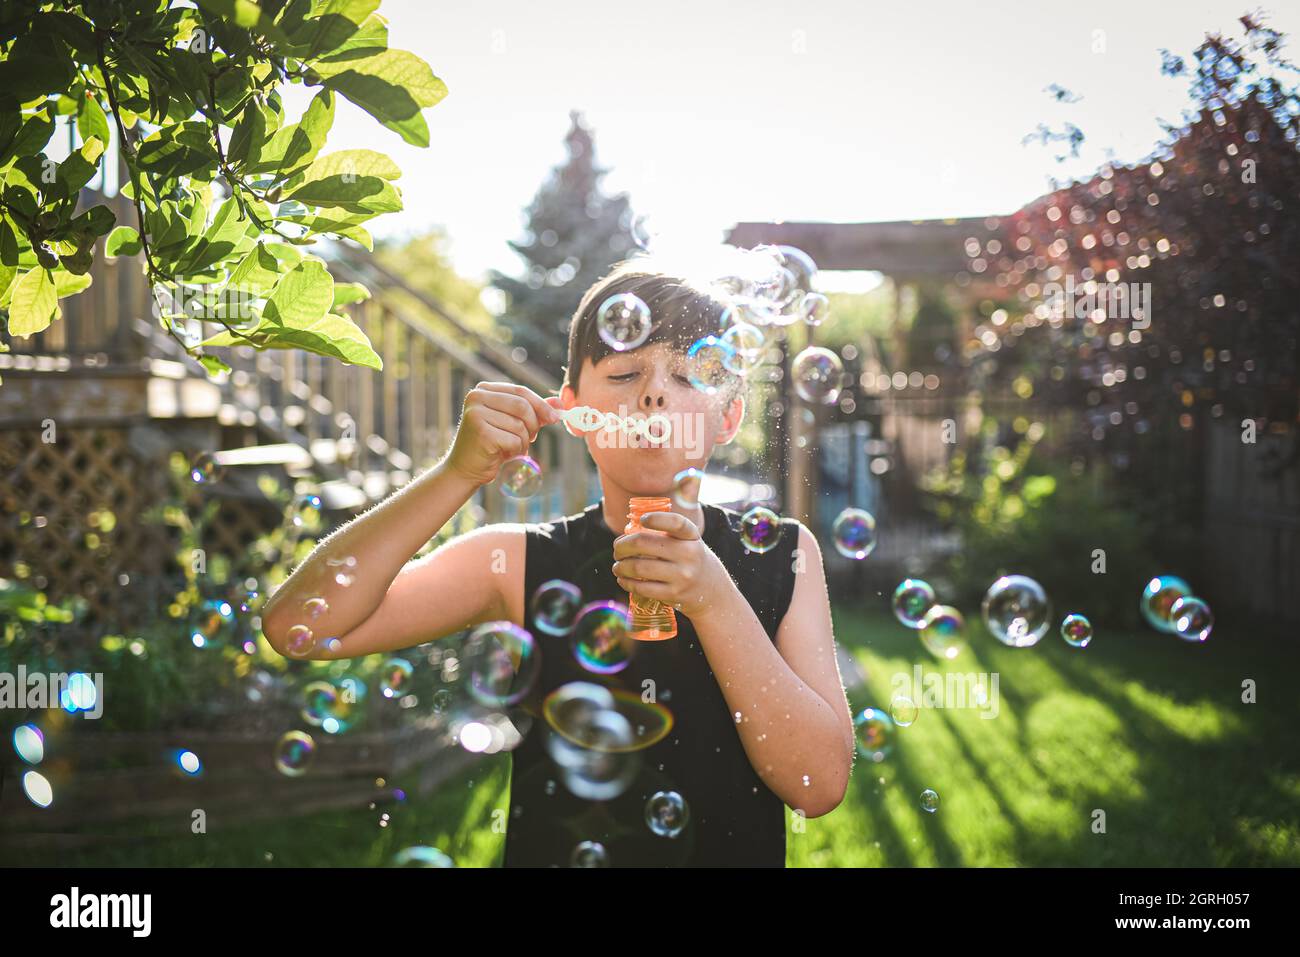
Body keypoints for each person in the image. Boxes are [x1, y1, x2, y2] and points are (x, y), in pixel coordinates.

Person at [262, 256, 855, 866]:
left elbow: (819, 785)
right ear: (573, 409)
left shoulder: (785, 554)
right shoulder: (517, 560)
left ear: (728, 417)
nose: (653, 393)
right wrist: (457, 472)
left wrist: (712, 596)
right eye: (625, 373)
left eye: (686, 375)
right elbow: (298, 627)